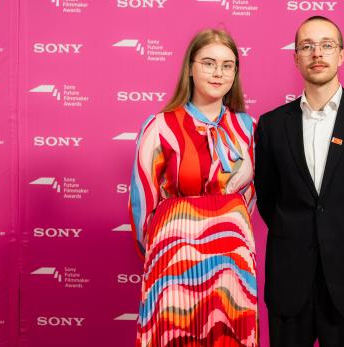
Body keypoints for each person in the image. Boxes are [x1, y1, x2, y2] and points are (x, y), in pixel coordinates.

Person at [255, 16, 344, 347]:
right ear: (295, 58)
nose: (317, 53)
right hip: (290, 281)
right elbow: (268, 198)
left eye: (326, 45)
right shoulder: (271, 125)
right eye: (306, 46)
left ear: (342, 55)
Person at [129, 28, 258, 347]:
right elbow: (141, 198)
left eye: (228, 65)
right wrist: (160, 251)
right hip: (175, 261)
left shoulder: (249, 128)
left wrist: (233, 233)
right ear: (190, 66)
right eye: (209, 63)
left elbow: (249, 198)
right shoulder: (160, 125)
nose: (218, 72)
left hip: (233, 264)